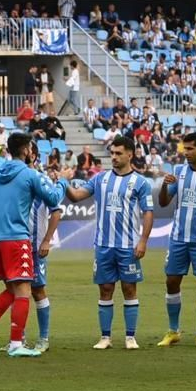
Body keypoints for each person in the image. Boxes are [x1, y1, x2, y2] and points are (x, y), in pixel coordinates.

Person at [0, 132, 66, 358]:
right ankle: (16, 344)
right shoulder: (29, 175)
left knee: (11, 289)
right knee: (24, 289)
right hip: (17, 239)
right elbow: (53, 199)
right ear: (26, 150)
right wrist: (62, 184)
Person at [61, 134, 152, 350]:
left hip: (128, 246)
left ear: (130, 154)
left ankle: (130, 337)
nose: (114, 157)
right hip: (103, 245)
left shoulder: (140, 182)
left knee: (130, 289)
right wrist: (64, 181)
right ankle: (105, 337)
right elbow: (75, 196)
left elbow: (148, 212)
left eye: (118, 153)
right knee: (105, 289)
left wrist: (143, 241)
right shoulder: (100, 178)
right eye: (112, 153)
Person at [156, 131, 196, 346]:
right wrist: (163, 185)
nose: (185, 153)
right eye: (184, 148)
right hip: (178, 238)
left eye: (190, 149)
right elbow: (163, 202)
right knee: (171, 281)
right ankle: (173, 331)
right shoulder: (178, 172)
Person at [25, 144, 63, 353]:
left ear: (33, 155)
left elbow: (56, 210)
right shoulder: (12, 178)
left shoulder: (42, 180)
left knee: (37, 290)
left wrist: (47, 240)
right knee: (16, 290)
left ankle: (43, 337)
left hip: (34, 245)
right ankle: (17, 338)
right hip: (15, 244)